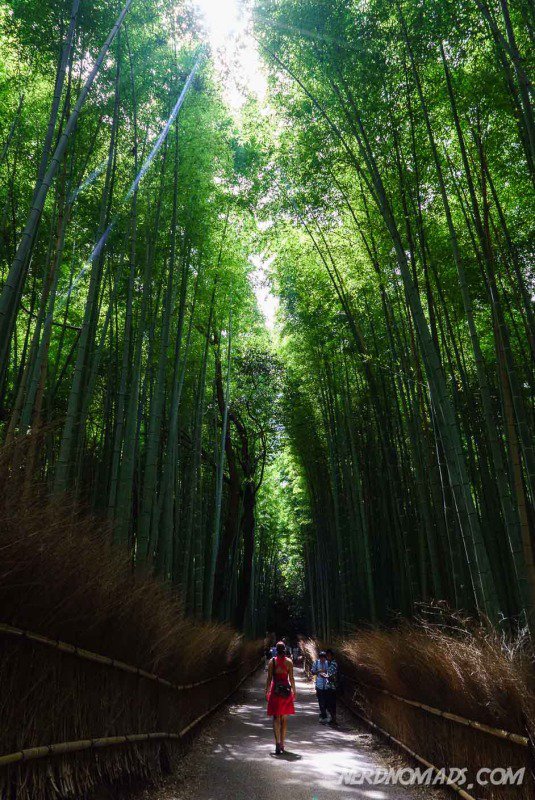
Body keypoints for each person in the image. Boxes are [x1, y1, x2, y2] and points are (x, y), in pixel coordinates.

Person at [265, 640, 296, 754]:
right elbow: (291, 678)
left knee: (276, 718)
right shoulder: (289, 662)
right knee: (284, 719)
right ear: (285, 649)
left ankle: (277, 742)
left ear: (276, 650)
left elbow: (269, 678)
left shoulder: (271, 662)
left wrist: (267, 690)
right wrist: (294, 690)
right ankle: (282, 743)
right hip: (286, 692)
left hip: (275, 691)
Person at [311, 650, 330, 723]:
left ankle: (323, 714)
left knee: (326, 701)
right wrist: (318, 672)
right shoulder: (316, 663)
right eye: (321, 657)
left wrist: (325, 672)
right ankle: (323, 716)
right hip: (319, 684)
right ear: (319, 658)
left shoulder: (327, 663)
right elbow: (313, 672)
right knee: (321, 701)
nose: (322, 659)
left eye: (324, 657)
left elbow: (329, 672)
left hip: (326, 685)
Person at [324, 648, 338, 725]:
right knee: (328, 703)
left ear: (332, 656)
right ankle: (332, 718)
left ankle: (334, 719)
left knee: (331, 703)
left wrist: (323, 672)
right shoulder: (328, 663)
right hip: (327, 686)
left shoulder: (333, 663)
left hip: (332, 687)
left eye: (329, 655)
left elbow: (329, 673)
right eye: (327, 655)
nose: (328, 656)